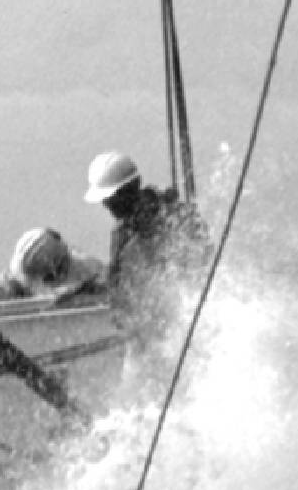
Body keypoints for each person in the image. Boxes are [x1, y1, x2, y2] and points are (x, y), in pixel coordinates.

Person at [83, 150, 207, 354]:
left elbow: (201, 255)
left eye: (110, 199)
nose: (106, 205)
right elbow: (115, 282)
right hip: (159, 322)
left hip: (185, 313)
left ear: (127, 192)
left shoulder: (172, 213)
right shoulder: (124, 232)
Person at [0, 225, 104, 308]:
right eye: (49, 275)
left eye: (60, 265)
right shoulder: (1, 292)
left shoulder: (88, 268)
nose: (53, 269)